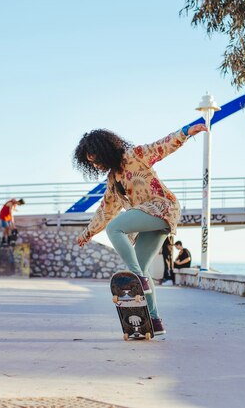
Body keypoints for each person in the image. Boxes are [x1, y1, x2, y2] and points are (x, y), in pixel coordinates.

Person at [74, 123, 208, 335]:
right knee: (142, 268)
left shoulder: (133, 155)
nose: (97, 165)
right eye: (92, 163)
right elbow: (105, 212)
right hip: (150, 221)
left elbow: (160, 146)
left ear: (105, 151)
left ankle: (138, 277)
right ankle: (155, 321)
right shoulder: (112, 181)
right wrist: (87, 234)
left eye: (97, 159)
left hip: (163, 208)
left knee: (116, 229)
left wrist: (184, 133)